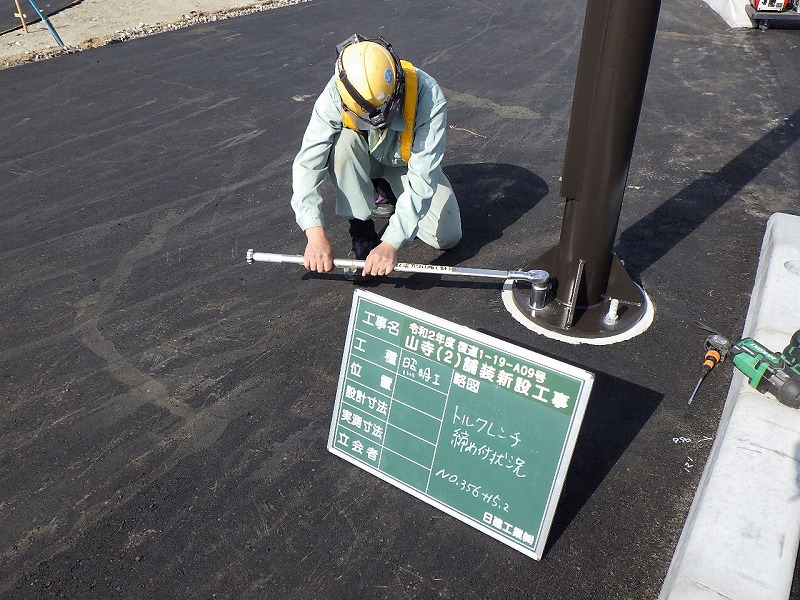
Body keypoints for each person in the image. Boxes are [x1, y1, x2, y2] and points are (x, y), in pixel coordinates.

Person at [290, 34, 462, 280]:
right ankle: (361, 232)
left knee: (447, 237)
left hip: (403, 165)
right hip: (363, 158)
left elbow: (423, 175)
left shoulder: (428, 96)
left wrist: (391, 242)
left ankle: (387, 189)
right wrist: (314, 233)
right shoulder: (338, 90)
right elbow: (308, 162)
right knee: (343, 143)